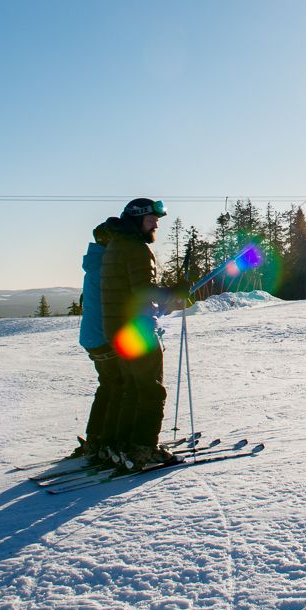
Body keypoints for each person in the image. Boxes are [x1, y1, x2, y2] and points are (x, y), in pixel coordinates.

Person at [100, 198, 180, 469]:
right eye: (151, 220)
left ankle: (120, 446)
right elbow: (142, 289)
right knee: (150, 390)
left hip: (117, 327)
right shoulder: (135, 248)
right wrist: (172, 292)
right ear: (137, 220)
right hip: (134, 327)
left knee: (133, 388)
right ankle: (143, 449)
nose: (156, 224)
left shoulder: (116, 243)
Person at [69, 222, 124, 461]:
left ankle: (96, 437)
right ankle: (107, 441)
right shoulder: (105, 267)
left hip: (93, 336)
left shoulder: (95, 263)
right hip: (103, 335)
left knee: (109, 386)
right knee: (120, 386)